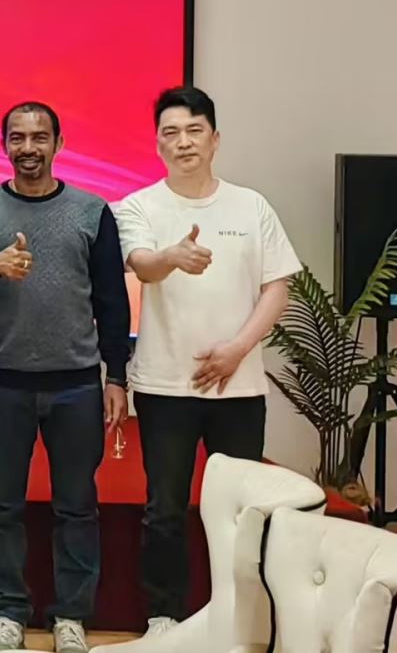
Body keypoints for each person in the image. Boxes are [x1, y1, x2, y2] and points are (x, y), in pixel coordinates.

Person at [114, 86, 298, 638]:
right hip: (165, 385)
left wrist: (238, 349)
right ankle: (164, 618)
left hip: (238, 388)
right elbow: (142, 264)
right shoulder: (139, 206)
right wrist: (172, 256)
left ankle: (239, 618)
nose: (183, 142)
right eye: (170, 132)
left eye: (194, 131)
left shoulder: (251, 206)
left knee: (242, 510)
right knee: (164, 508)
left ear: (215, 140)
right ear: (157, 144)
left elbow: (278, 286)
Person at [0, 102, 132, 653]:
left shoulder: (91, 211)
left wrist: (116, 376)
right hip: (3, 381)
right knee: (0, 503)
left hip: (75, 383)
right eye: (17, 138)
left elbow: (112, 300)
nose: (28, 148)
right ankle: (6, 612)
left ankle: (71, 616)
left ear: (58, 143)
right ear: (4, 144)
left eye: (39, 137)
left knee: (77, 504)